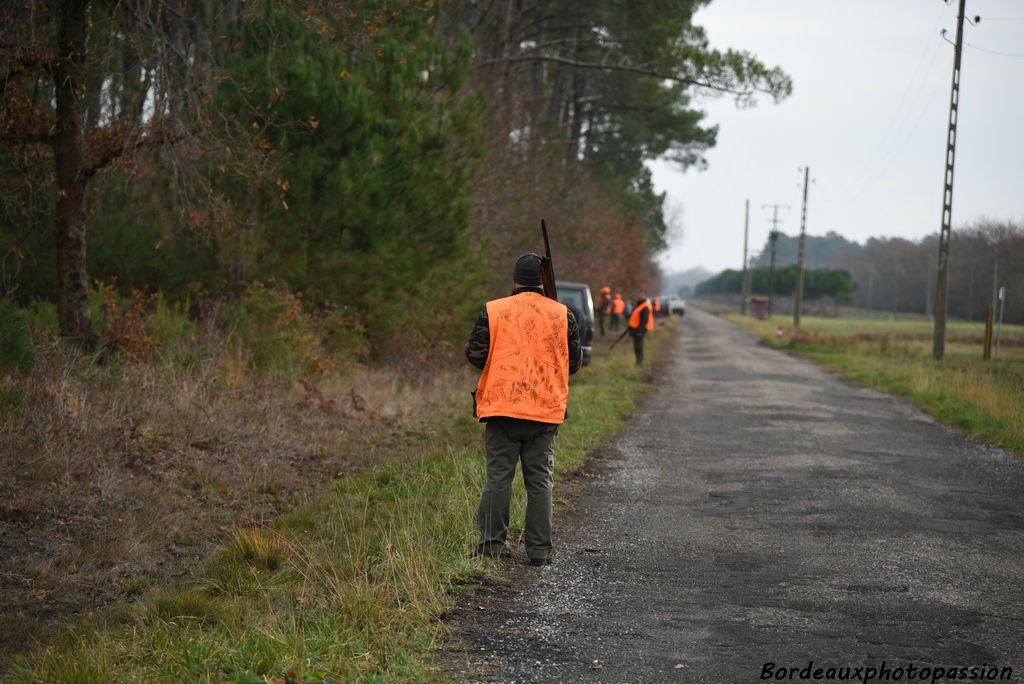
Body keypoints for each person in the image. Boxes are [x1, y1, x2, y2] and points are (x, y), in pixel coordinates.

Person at [465, 253, 583, 566]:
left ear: (515, 279)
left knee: (498, 480)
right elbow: (574, 362)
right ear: (543, 281)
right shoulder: (562, 314)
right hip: (544, 411)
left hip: (501, 408)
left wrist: (505, 367)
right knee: (540, 482)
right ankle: (540, 551)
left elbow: (475, 354)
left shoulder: (494, 310)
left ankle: (491, 546)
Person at [627, 289, 654, 365]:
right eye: (639, 295)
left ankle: (639, 363)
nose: (640, 296)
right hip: (636, 329)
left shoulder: (645, 306)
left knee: (639, 347)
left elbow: (644, 321)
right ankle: (638, 361)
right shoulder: (640, 305)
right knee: (636, 347)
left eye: (642, 295)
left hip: (640, 330)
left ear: (645, 296)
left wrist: (640, 331)